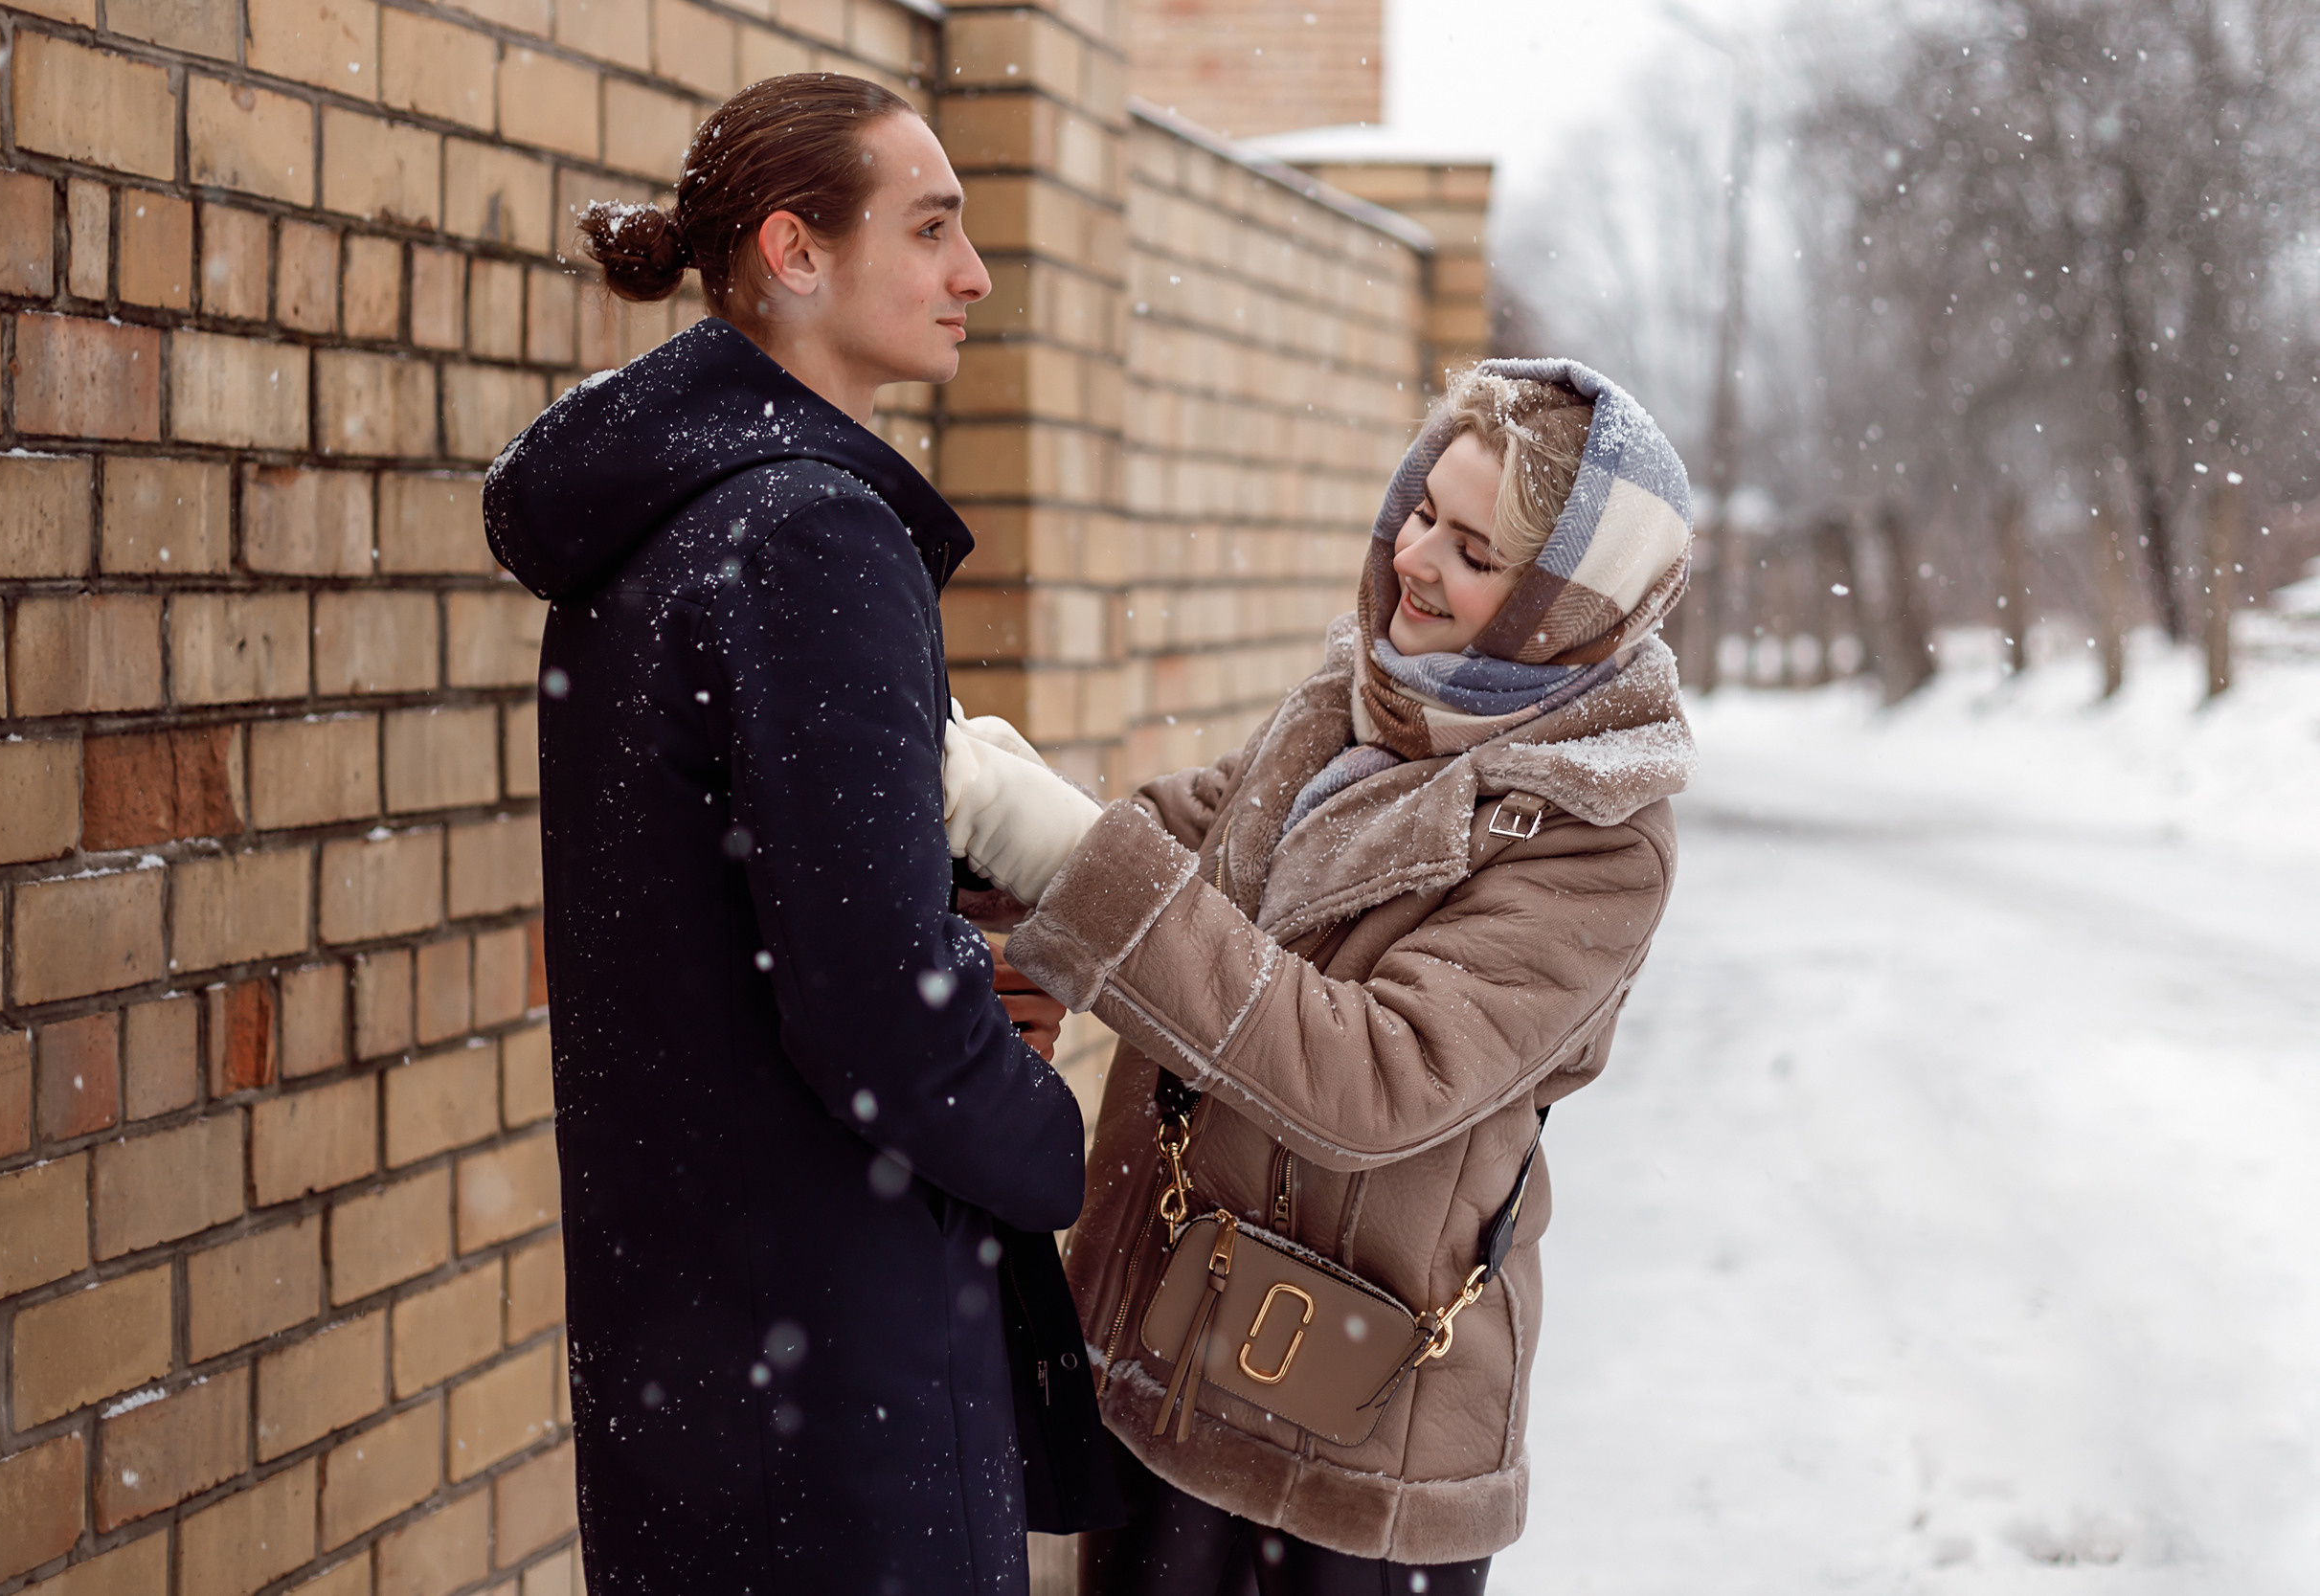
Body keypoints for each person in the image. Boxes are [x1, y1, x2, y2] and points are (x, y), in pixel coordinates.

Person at [484, 74, 1112, 1595]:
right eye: (933, 227)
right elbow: (877, 1010)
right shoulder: (810, 532)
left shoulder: (662, 523)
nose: (973, 275)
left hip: (695, 1348)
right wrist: (1045, 1137)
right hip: (841, 1375)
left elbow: (732, 913)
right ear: (795, 251)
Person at [941, 361, 1699, 1593]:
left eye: (1474, 551)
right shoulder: (1354, 707)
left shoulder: (1592, 834)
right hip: (1174, 1340)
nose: (1415, 559)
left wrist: (1077, 853)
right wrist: (979, 821)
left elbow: (1371, 1075)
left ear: (1563, 608)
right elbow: (1192, 847)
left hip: (1358, 1437)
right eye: (1422, 513)